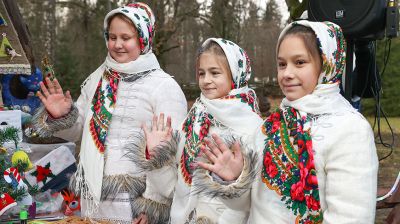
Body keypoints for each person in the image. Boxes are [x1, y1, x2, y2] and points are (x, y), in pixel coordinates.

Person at [197, 21, 379, 223]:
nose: (287, 74)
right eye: (282, 64)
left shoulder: (349, 129)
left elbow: (351, 217)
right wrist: (234, 179)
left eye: (299, 62)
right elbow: (247, 206)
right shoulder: (271, 126)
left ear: (327, 64)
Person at [32, 2, 187, 223]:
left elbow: (172, 154)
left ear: (143, 39)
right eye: (112, 37)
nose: (117, 44)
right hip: (93, 199)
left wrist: (152, 205)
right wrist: (62, 115)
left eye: (126, 38)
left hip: (135, 203)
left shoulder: (164, 87)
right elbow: (78, 133)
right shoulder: (97, 80)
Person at [135, 38, 263, 223]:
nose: (206, 80)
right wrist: (157, 156)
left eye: (215, 73)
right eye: (201, 73)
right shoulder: (193, 121)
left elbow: (253, 201)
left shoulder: (253, 128)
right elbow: (172, 190)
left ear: (236, 75)